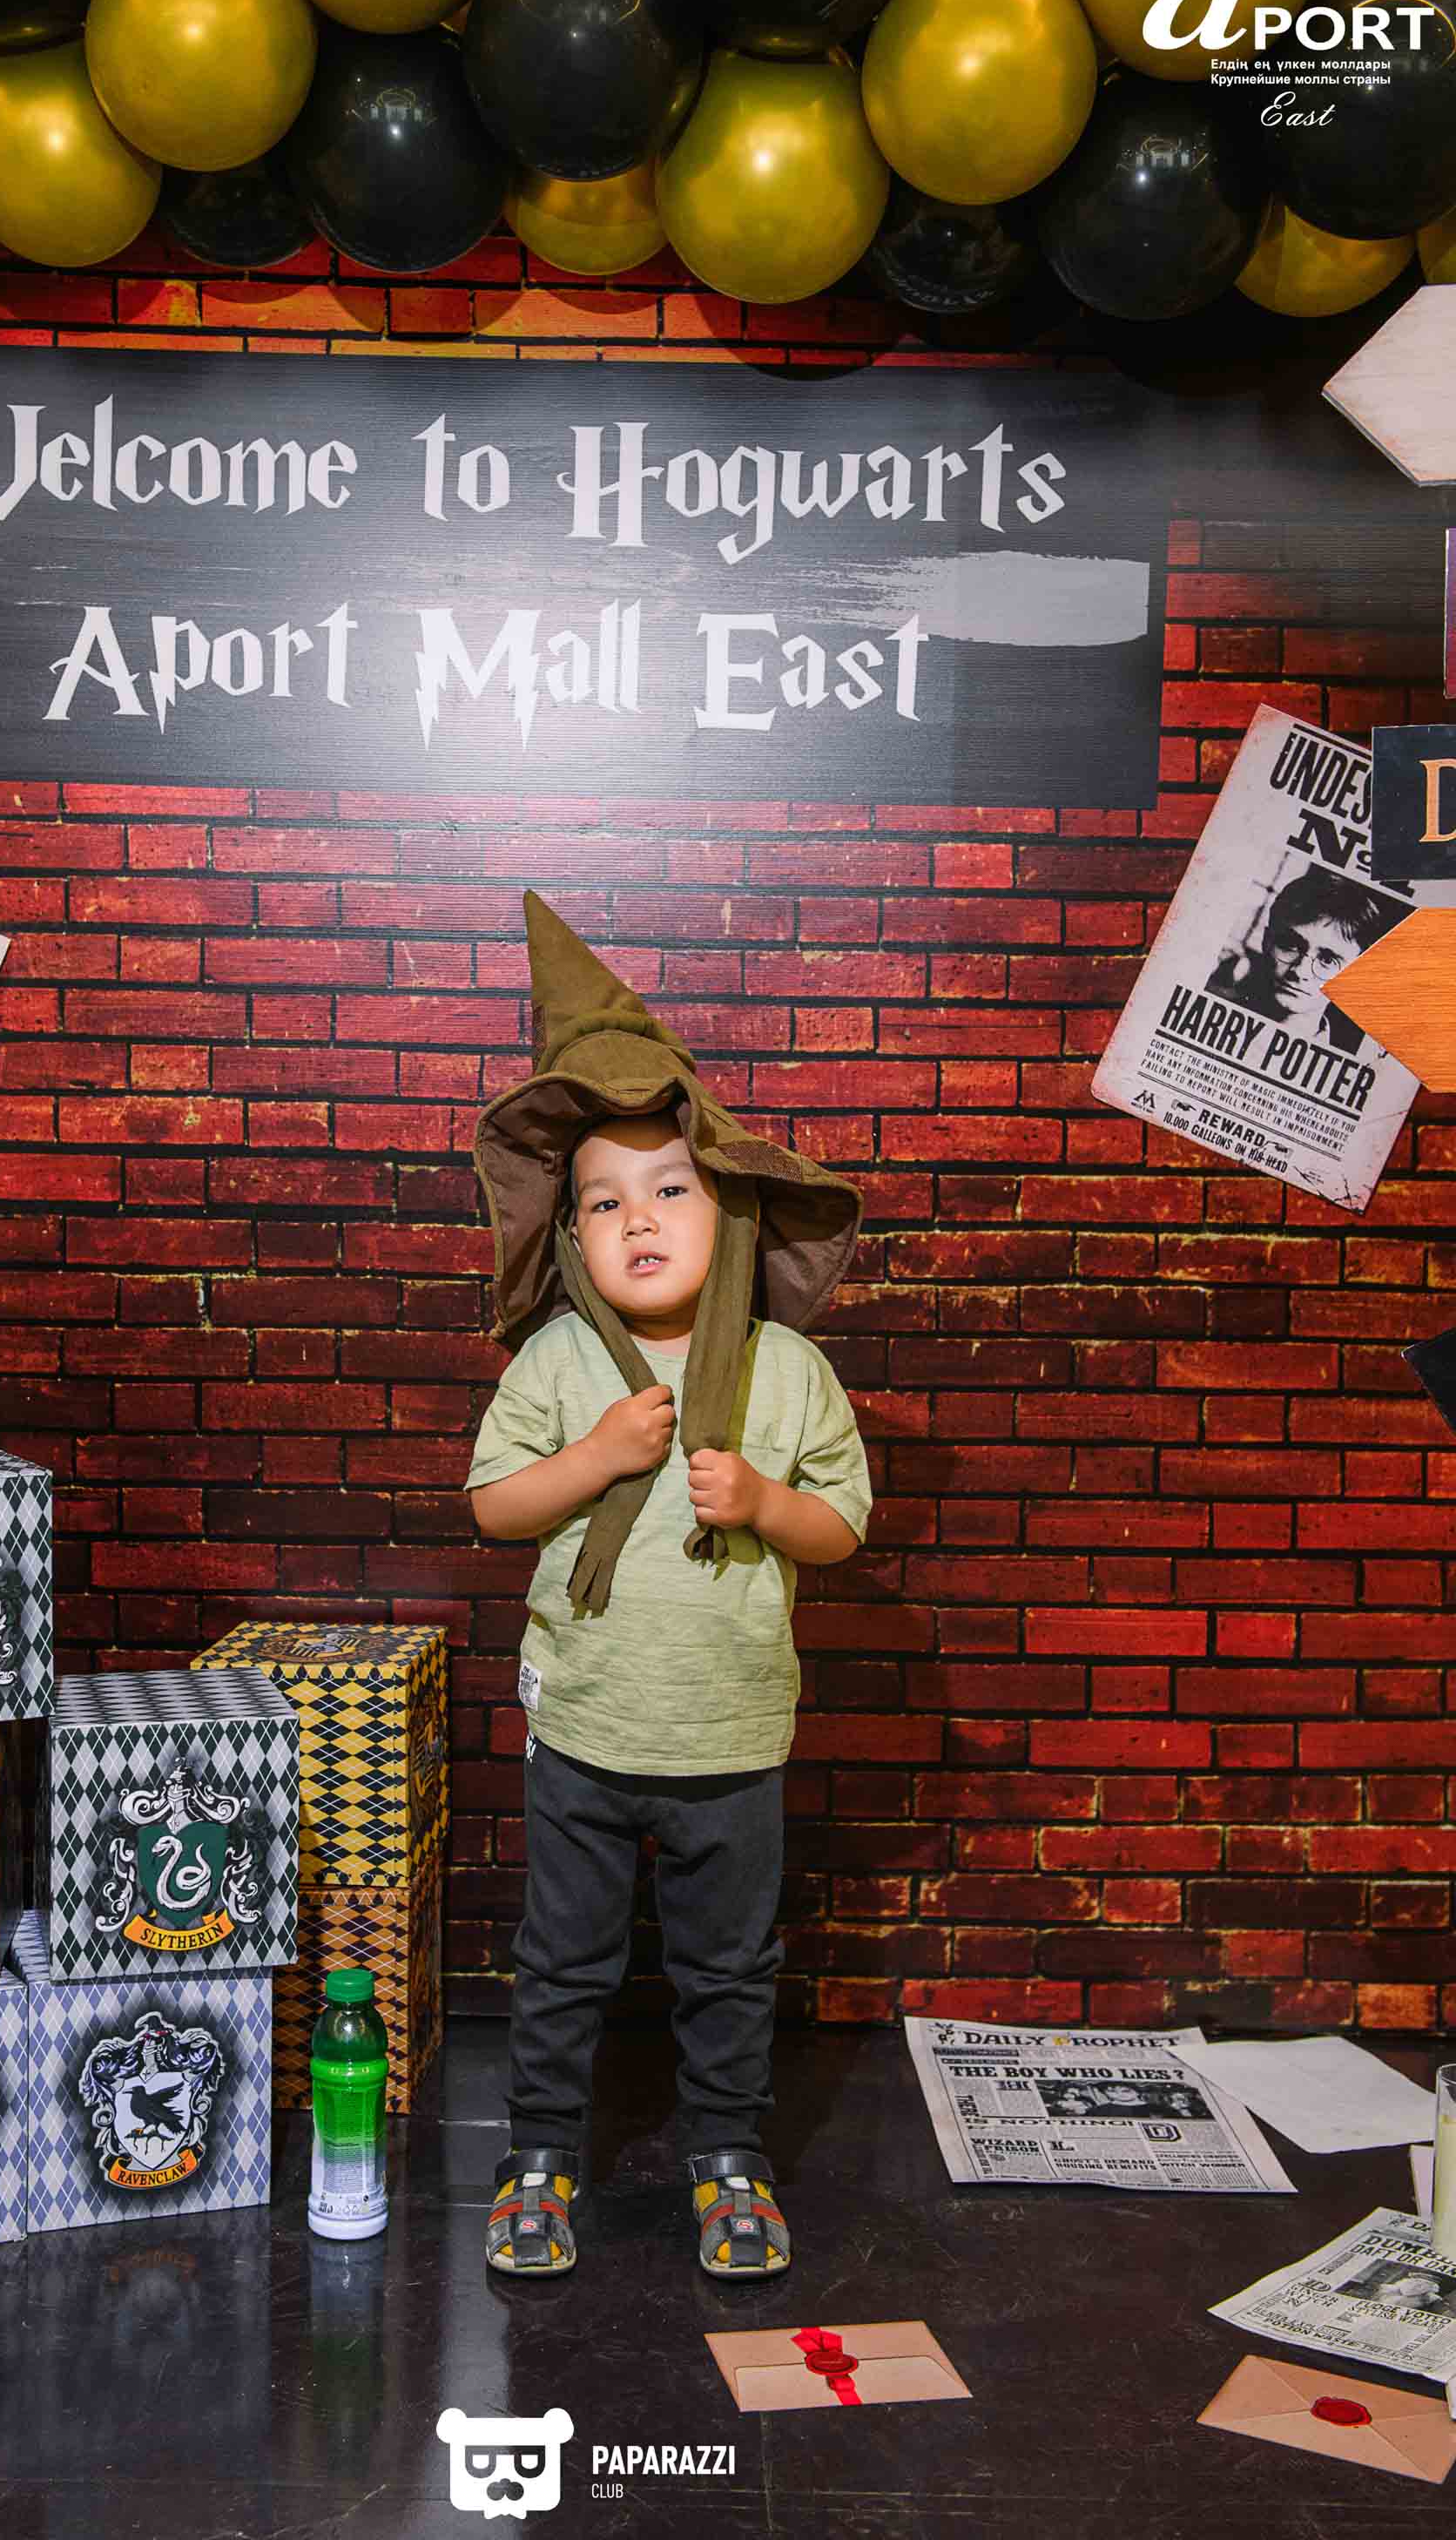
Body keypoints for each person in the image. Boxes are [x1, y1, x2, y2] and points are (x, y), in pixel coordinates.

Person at [466, 892, 872, 2283]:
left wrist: (762, 1502)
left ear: (734, 1210)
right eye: (604, 1201)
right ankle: (538, 2155)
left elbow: (841, 1529)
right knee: (564, 1962)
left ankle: (728, 2156)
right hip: (588, 1730)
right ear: (572, 1238)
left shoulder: (789, 1373)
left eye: (672, 1189)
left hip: (732, 1739)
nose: (638, 1218)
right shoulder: (555, 1366)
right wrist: (591, 1458)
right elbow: (492, 1507)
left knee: (728, 1969)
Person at [1207, 867, 1406, 1054]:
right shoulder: (1210, 1015)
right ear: (1267, 941)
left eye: (1327, 959)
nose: (1300, 971)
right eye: (1289, 945)